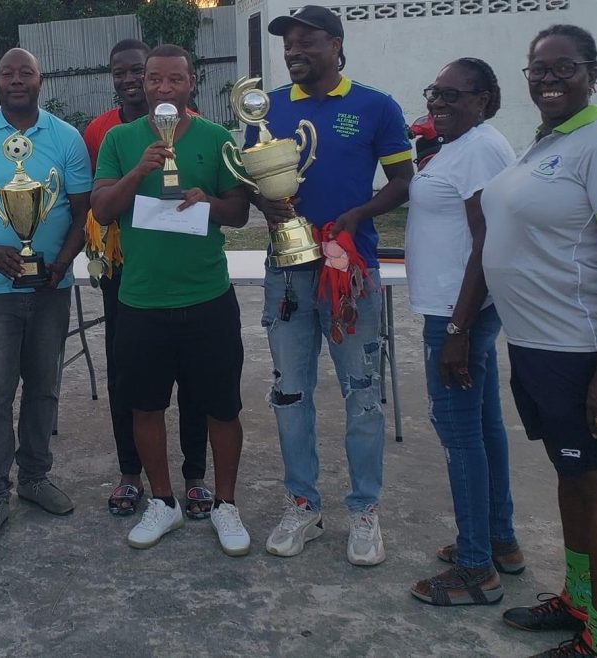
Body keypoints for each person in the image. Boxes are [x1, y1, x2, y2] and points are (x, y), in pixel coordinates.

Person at [482, 25, 597, 658]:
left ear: (591, 73)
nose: (550, 79)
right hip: (537, 347)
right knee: (571, 475)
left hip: (583, 351)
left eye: (565, 68)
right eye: (539, 70)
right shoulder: (550, 144)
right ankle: (578, 601)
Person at [249, 5, 414, 566]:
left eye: (306, 40)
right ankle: (303, 505)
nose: (294, 50)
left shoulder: (375, 106)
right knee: (290, 393)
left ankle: (365, 510)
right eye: (288, 42)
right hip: (288, 270)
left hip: (350, 271)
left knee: (362, 395)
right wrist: (264, 203)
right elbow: (252, 180)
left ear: (336, 45)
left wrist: (356, 215)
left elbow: (402, 182)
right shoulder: (265, 107)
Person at [91, 44, 252, 556]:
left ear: (191, 83)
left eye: (173, 80)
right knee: (146, 406)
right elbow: (101, 208)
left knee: (222, 408)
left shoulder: (216, 137)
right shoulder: (120, 140)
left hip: (207, 296)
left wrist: (208, 204)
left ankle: (225, 505)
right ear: (143, 83)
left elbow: (240, 213)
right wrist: (139, 171)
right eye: (154, 79)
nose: (162, 88)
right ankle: (163, 501)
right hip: (140, 299)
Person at [0, 47, 92, 546]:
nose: (16, 80)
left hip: (51, 287)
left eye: (24, 72)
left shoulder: (66, 137)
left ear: (39, 79)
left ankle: (33, 478)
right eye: (7, 73)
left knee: (45, 387)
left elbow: (81, 210)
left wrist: (62, 263)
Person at [403, 59, 522, 607]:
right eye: (435, 92)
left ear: (484, 98)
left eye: (452, 94)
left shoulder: (478, 148)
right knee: (484, 427)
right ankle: (498, 540)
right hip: (462, 310)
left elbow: (487, 241)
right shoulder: (462, 143)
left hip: (458, 313)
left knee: (460, 436)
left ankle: (477, 569)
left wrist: (456, 327)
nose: (438, 103)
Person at [84, 39, 213, 519]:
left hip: (183, 268)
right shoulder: (102, 130)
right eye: (123, 73)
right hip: (125, 268)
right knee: (129, 375)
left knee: (193, 375)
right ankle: (130, 472)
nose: (133, 81)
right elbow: (95, 200)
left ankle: (195, 473)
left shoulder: (197, 127)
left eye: (139, 71)